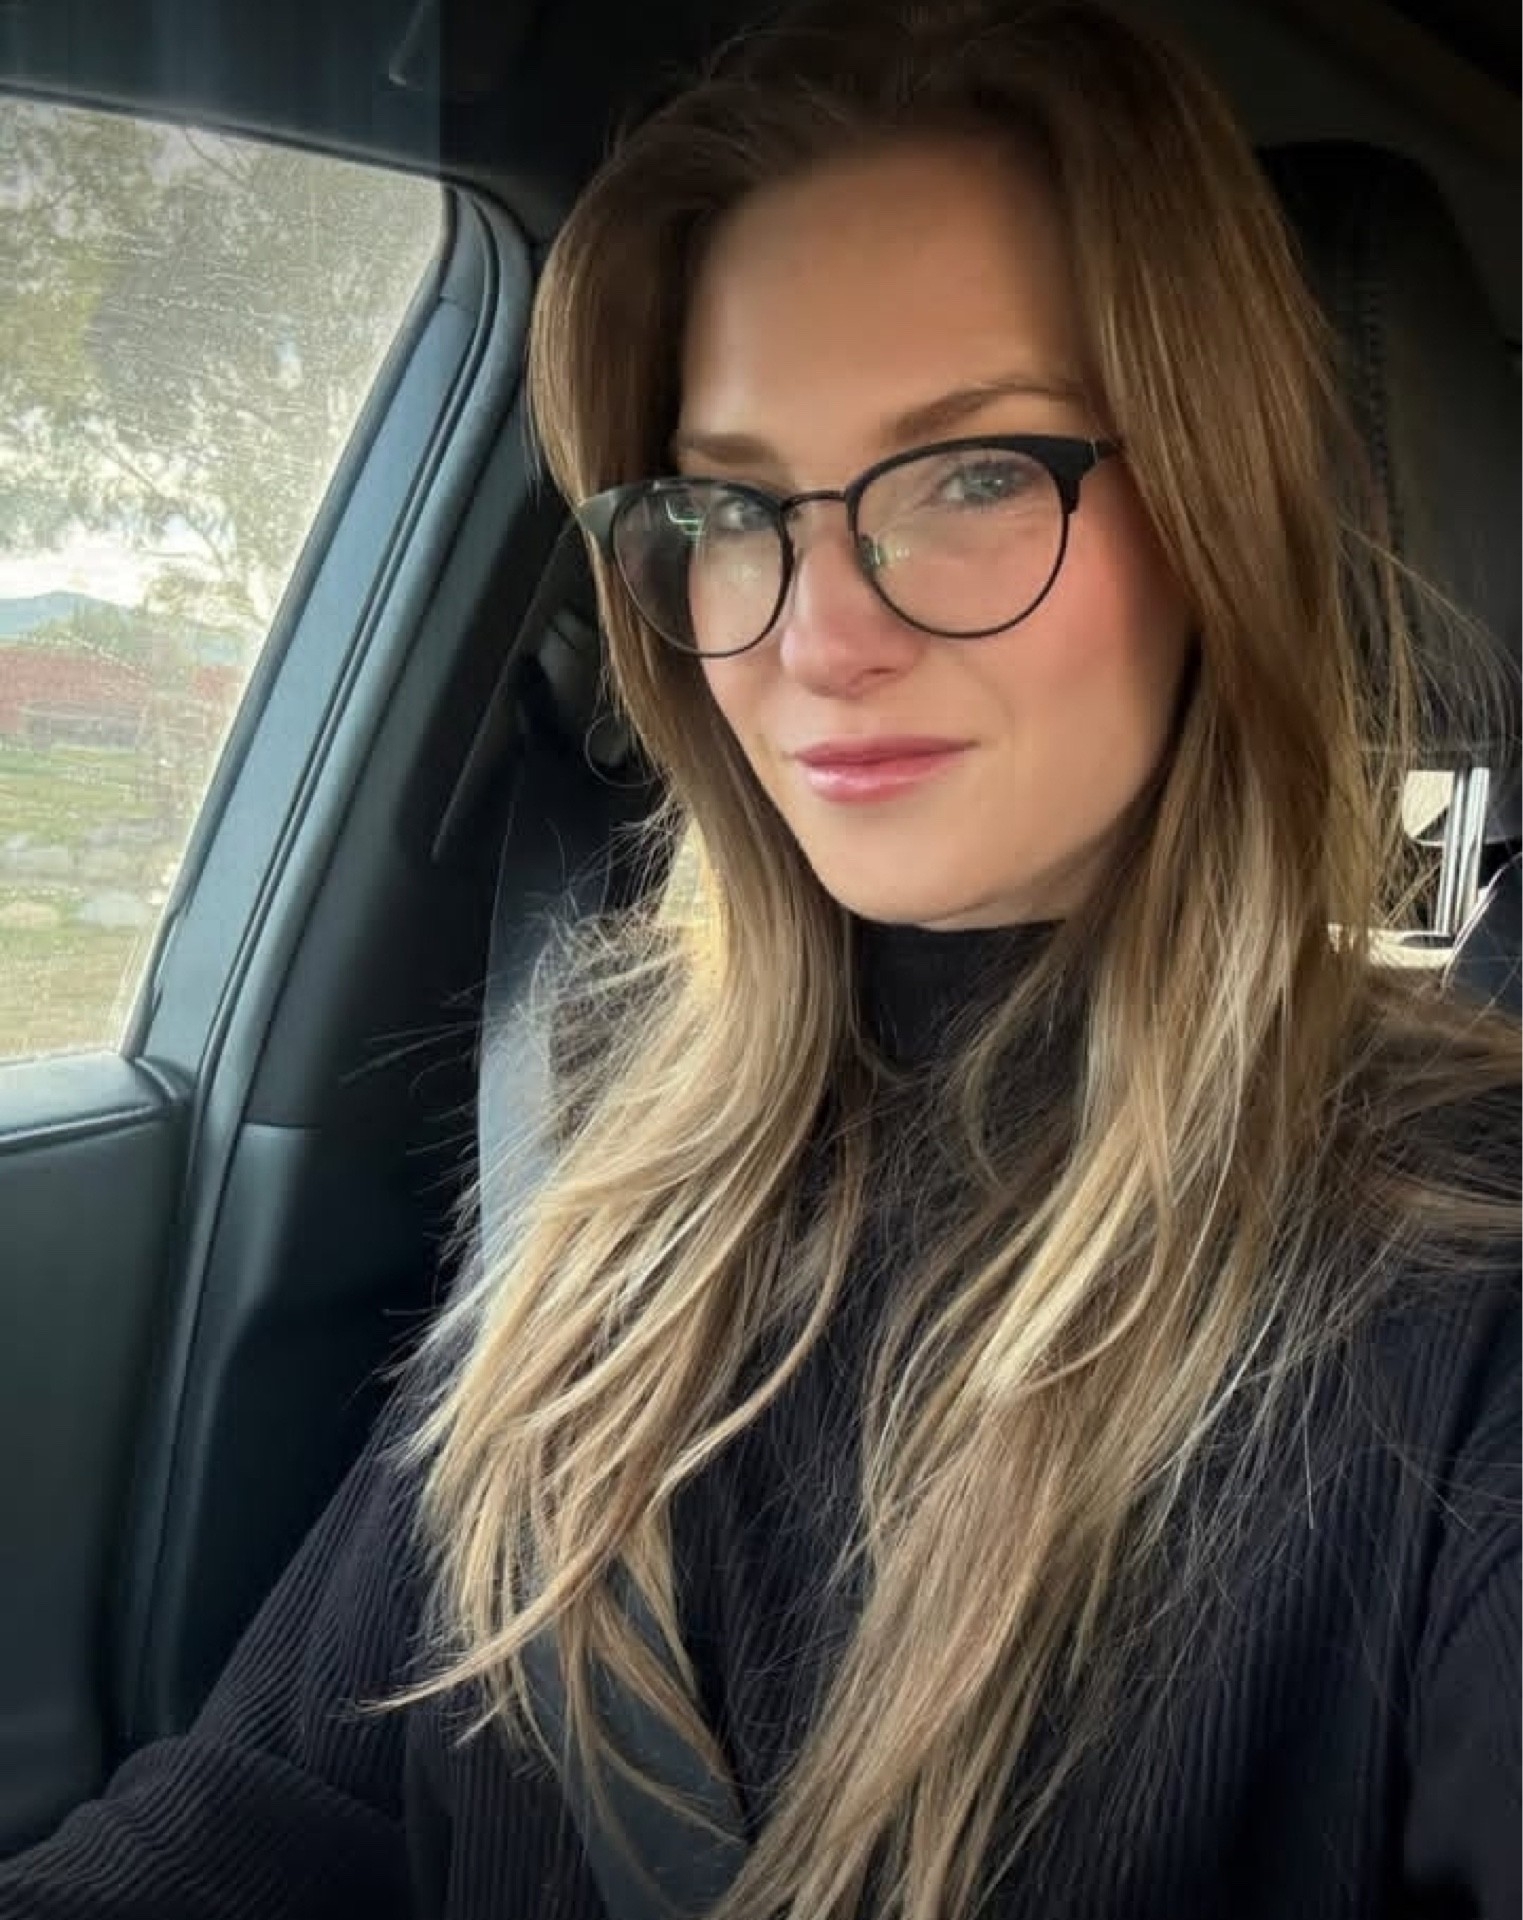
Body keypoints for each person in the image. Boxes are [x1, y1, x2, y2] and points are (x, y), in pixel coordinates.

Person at [2, 1, 1517, 1916]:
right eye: (728, 508)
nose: (816, 639)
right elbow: (288, 1801)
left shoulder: (1464, 1277)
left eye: (974, 475)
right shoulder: (620, 1152)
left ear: (1218, 508)